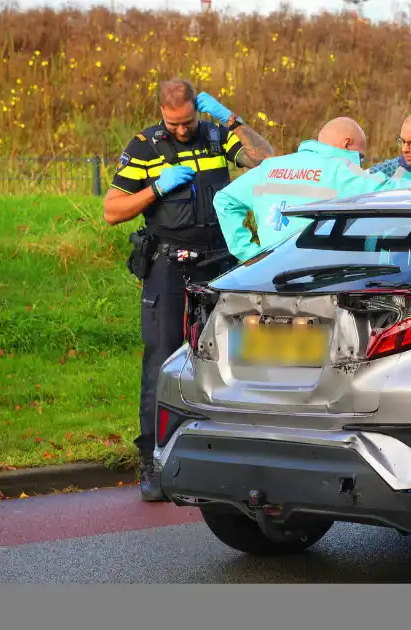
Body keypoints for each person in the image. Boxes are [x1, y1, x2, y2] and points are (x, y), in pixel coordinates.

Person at [103, 78, 275, 502]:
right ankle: (152, 461)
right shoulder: (144, 147)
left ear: (198, 110)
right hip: (168, 265)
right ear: (162, 114)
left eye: (188, 121)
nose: (182, 130)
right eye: (173, 123)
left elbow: (266, 161)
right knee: (161, 362)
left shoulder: (215, 134)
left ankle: (227, 457)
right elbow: (112, 210)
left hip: (218, 263)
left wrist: (230, 118)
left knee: (232, 358)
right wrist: (155, 188)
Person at [213, 116, 411, 262]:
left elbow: (224, 200)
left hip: (267, 278)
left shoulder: (270, 167)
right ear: (346, 144)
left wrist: (250, 255)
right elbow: (395, 191)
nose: (359, 163)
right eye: (359, 156)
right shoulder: (340, 172)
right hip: (317, 283)